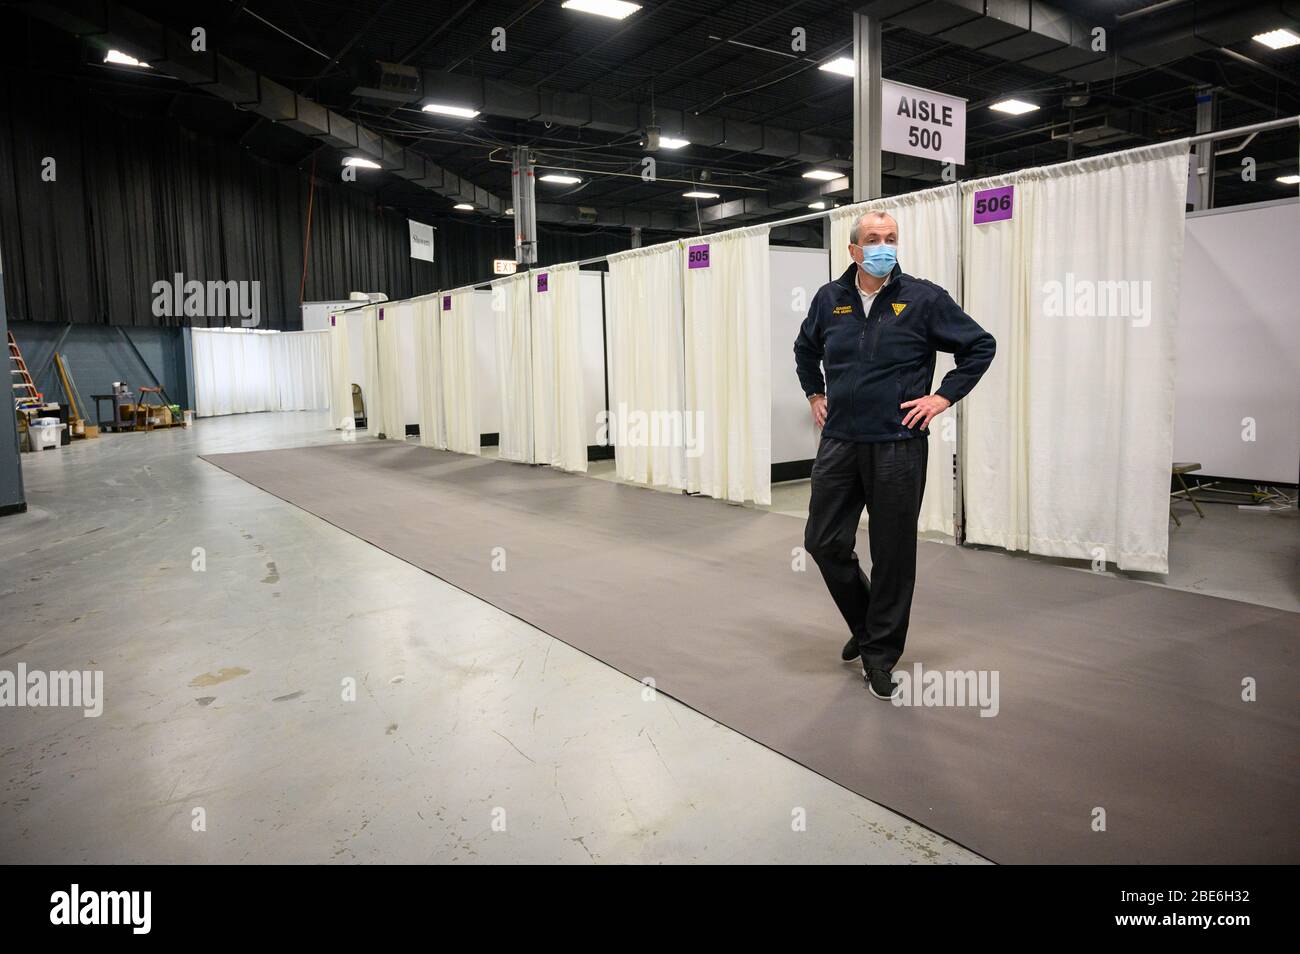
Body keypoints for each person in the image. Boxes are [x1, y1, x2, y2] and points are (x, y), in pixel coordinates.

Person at [794, 210, 995, 700]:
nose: (884, 246)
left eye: (891, 238)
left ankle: (879, 654)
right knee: (823, 542)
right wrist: (814, 394)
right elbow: (805, 349)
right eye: (873, 239)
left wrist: (942, 397)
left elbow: (979, 346)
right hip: (840, 441)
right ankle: (867, 624)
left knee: (892, 553)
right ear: (854, 251)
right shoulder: (830, 299)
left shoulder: (923, 298)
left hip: (897, 445)